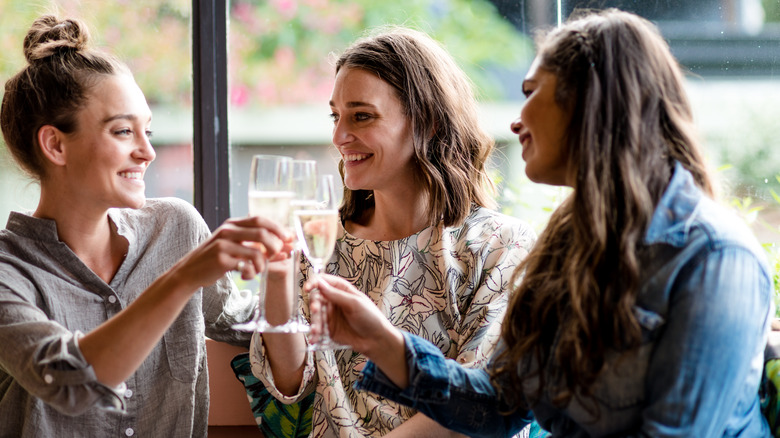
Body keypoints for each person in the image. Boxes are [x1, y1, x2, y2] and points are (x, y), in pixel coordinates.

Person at [310, 9, 774, 437]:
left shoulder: (715, 257)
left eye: (531, 93)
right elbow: (498, 404)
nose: (516, 122)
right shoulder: (569, 243)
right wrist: (379, 339)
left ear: (590, 103)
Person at [0, 15, 291, 437]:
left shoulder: (176, 228)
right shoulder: (9, 271)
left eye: (147, 131)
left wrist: (291, 272)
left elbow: (248, 326)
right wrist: (183, 278)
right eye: (123, 131)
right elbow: (69, 381)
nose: (147, 152)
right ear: (56, 145)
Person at [247, 26, 537, 437]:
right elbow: (292, 384)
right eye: (336, 116)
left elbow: (475, 409)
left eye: (361, 116)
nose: (338, 136)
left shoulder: (499, 246)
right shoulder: (319, 242)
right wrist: (277, 274)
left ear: (429, 123)